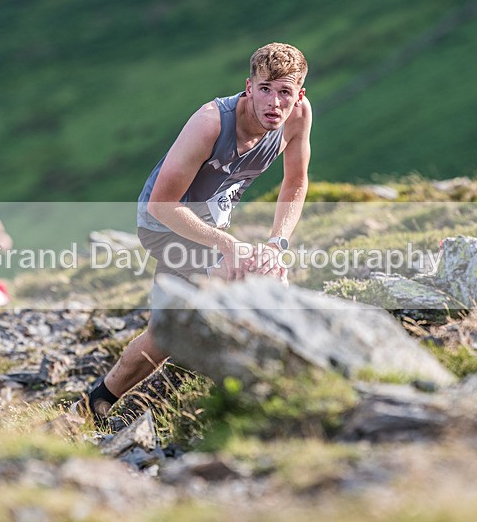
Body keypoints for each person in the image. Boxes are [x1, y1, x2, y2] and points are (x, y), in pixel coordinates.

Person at [83, 42, 312, 418]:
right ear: (249, 87)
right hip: (164, 224)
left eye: (285, 92)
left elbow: (296, 183)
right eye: (265, 89)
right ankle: (272, 392)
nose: (274, 103)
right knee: (256, 278)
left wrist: (277, 242)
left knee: (168, 333)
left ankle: (97, 403)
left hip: (211, 225)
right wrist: (228, 244)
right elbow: (161, 204)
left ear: (299, 94)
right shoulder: (211, 122)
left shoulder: (299, 116)